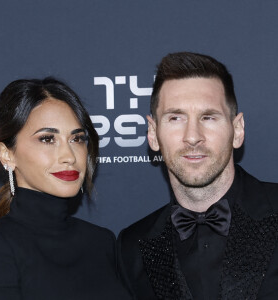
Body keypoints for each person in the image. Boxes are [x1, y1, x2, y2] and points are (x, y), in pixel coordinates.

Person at [117, 52, 278, 300]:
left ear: (237, 130)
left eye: (208, 117)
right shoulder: (132, 246)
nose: (192, 136)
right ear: (152, 133)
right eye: (175, 118)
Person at [0, 77, 131, 300]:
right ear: (6, 154)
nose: (69, 156)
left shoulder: (102, 242)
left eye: (77, 138)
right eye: (48, 139)